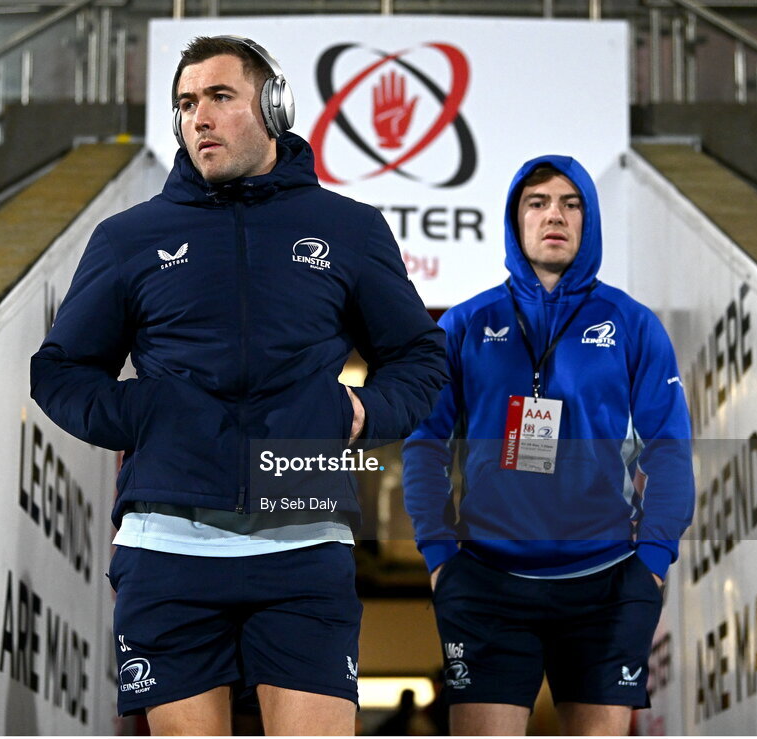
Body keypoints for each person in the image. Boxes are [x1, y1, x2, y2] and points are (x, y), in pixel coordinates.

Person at [31, 35, 447, 735]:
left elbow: (419, 356)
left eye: (220, 97)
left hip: (303, 533)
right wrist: (145, 412)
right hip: (167, 546)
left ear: (273, 108)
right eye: (186, 103)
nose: (199, 117)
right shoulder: (128, 237)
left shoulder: (349, 229)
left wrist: (360, 411)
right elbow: (59, 369)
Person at [401, 155, 694, 735]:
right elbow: (424, 444)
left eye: (570, 203)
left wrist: (653, 562)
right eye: (537, 203)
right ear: (516, 221)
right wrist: (439, 556)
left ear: (589, 220)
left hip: (607, 580)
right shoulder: (464, 324)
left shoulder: (632, 324)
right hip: (485, 579)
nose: (554, 215)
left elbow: (670, 449)